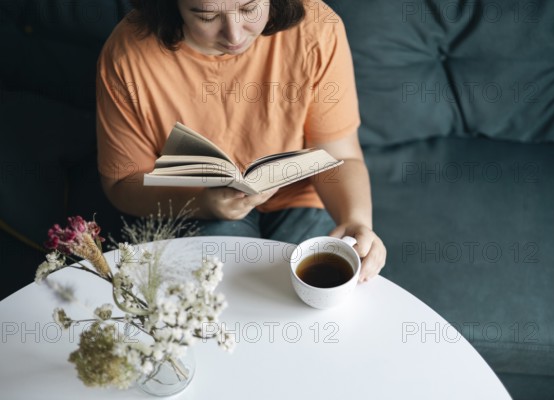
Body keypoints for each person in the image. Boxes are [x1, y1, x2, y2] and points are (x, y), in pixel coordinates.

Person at [96, 0, 386, 281]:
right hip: (195, 199)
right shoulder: (127, 56)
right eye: (206, 16)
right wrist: (203, 202)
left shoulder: (316, 28)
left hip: (300, 194)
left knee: (318, 291)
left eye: (249, 8)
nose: (234, 35)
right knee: (226, 299)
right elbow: (122, 183)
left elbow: (340, 156)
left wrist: (355, 221)